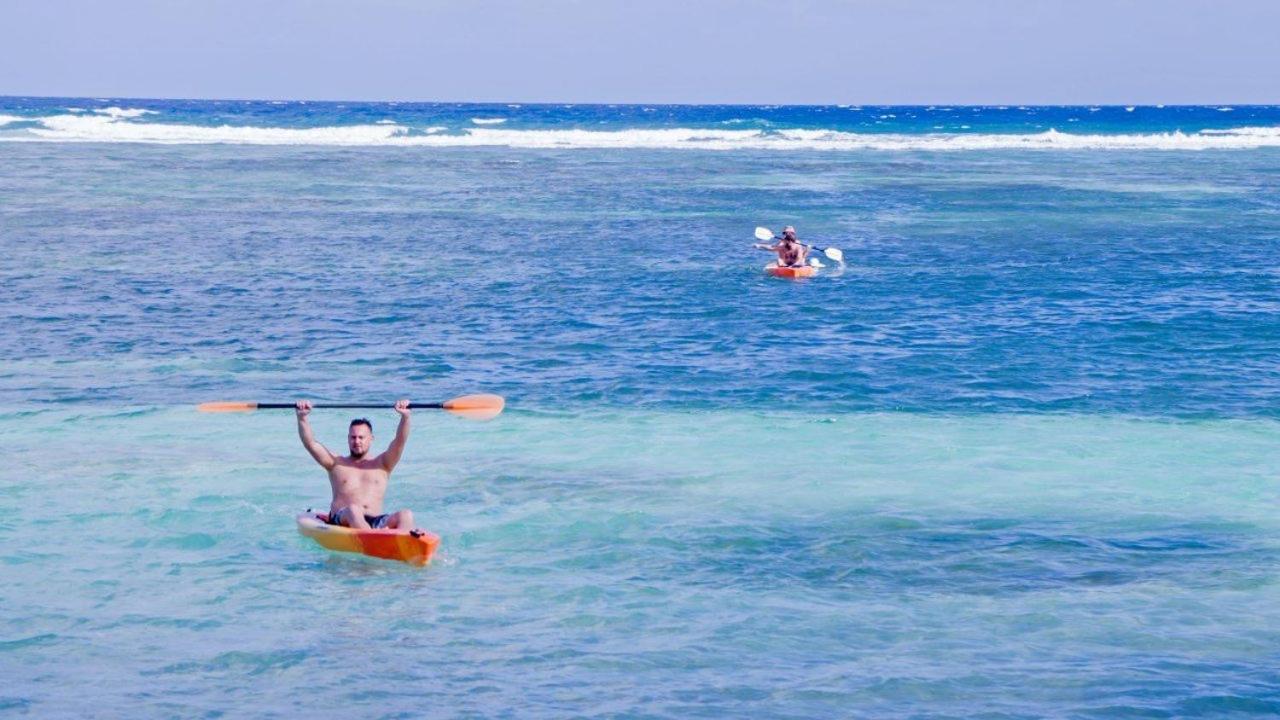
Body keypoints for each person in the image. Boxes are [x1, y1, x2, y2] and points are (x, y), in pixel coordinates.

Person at [295, 398, 416, 530]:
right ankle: (372, 541)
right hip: (343, 519)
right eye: (353, 437)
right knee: (354, 510)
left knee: (406, 515)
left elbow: (400, 441)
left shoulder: (384, 463)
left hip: (374, 521)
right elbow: (311, 444)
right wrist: (302, 418)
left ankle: (407, 548)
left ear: (371, 439)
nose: (357, 441)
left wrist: (405, 417)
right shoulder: (336, 463)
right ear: (348, 439)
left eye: (361, 437)